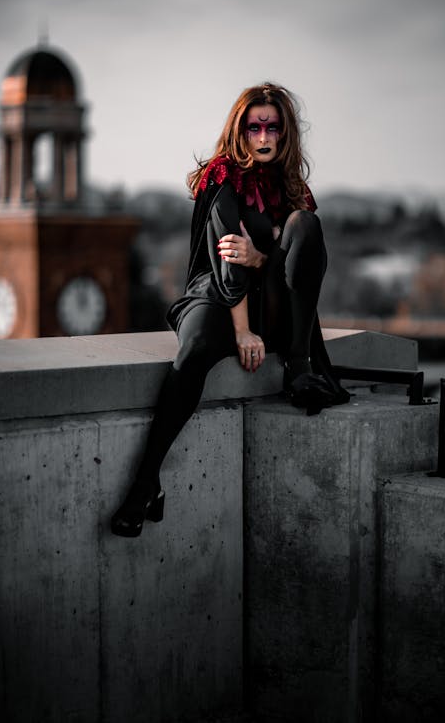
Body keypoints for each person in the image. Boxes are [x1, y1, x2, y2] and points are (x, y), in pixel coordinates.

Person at [111, 82, 350, 538]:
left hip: (274, 302)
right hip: (219, 295)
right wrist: (242, 331)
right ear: (240, 130)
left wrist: (263, 258)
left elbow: (301, 261)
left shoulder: (293, 188)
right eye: (254, 127)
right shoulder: (222, 177)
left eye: (272, 128)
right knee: (196, 348)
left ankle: (298, 366)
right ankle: (146, 485)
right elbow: (228, 260)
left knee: (306, 225)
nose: (263, 137)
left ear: (284, 133)